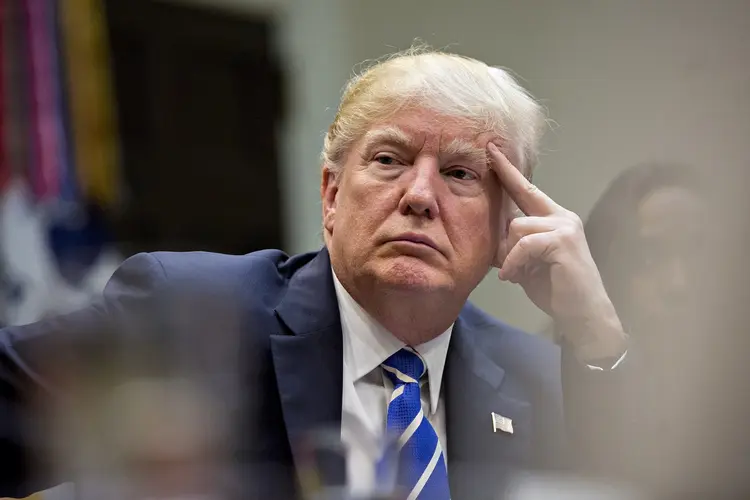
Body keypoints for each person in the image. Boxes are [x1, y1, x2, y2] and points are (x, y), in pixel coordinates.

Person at [0, 48, 628, 500]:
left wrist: (597, 333)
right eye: (389, 159)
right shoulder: (191, 310)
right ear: (331, 196)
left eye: (462, 173)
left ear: (504, 227)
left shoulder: (537, 379)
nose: (419, 195)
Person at [560, 163, 710, 492]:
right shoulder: (547, 383)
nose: (679, 284)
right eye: (649, 257)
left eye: (700, 255)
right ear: (607, 265)